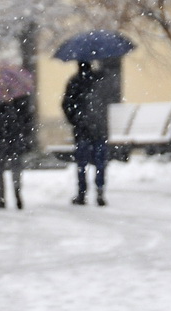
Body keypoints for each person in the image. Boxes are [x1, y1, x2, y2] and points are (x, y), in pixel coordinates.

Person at [62, 61, 109, 206]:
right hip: (99, 128)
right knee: (100, 162)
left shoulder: (75, 82)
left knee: (82, 163)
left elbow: (66, 104)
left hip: (82, 129)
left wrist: (75, 120)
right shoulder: (99, 80)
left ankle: (82, 192)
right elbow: (106, 101)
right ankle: (100, 190)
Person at [0, 94, 33, 210]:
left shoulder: (17, 96)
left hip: (9, 136)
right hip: (1, 137)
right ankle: (4, 197)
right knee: (3, 169)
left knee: (10, 168)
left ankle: (13, 194)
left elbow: (27, 117)